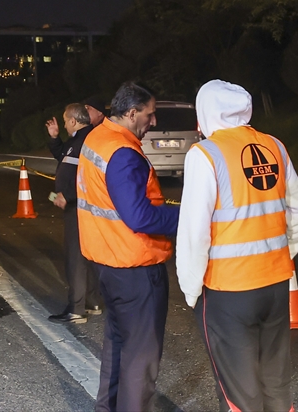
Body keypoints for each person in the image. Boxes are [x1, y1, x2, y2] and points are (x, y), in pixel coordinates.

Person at [176, 80, 298, 412]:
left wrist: (190, 287)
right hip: (276, 283)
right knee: (276, 380)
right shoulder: (274, 146)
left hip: (228, 290)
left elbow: (195, 230)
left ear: (205, 114)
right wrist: (282, 253)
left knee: (240, 391)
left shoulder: (205, 153)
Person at [77, 82, 179, 412]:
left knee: (118, 346)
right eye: (150, 115)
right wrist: (188, 217)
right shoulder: (123, 153)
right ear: (132, 113)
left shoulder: (97, 138)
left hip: (107, 262)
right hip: (135, 266)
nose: (153, 122)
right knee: (141, 359)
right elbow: (139, 216)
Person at [45, 103, 102, 323]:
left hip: (78, 207)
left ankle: (76, 309)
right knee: (87, 254)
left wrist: (67, 195)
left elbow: (88, 176)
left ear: (73, 120)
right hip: (77, 205)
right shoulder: (78, 139)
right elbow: (63, 156)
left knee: (76, 257)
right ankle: (92, 301)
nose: (64, 123)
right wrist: (54, 138)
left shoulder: (86, 140)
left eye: (65, 119)